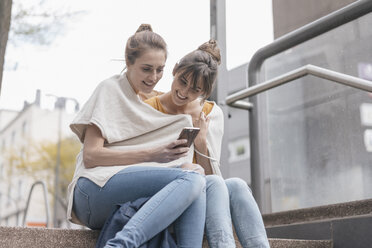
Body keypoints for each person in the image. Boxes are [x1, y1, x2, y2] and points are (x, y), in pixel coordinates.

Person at [66, 24, 207, 248]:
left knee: (201, 182)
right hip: (92, 189)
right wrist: (154, 154)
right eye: (146, 69)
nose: (154, 77)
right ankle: (121, 245)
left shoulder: (147, 103)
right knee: (191, 179)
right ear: (128, 62)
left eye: (160, 69)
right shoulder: (110, 89)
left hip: (124, 190)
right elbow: (91, 156)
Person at [145, 39, 270, 248]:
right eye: (182, 81)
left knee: (237, 185)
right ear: (175, 70)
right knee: (212, 184)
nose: (184, 92)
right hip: (170, 193)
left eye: (195, 90)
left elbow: (215, 179)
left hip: (207, 195)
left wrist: (201, 144)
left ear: (204, 92)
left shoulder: (211, 114)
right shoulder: (149, 108)